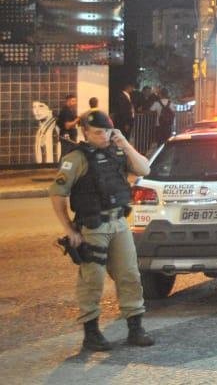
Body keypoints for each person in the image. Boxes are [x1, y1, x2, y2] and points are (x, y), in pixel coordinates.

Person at [48, 110, 155, 352]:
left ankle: (135, 327)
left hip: (118, 223)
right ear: (85, 132)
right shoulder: (76, 158)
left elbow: (144, 169)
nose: (103, 136)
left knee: (130, 275)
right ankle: (92, 332)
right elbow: (57, 194)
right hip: (92, 226)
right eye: (97, 132)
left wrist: (124, 143)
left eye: (107, 131)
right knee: (92, 280)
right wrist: (69, 229)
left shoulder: (117, 151)